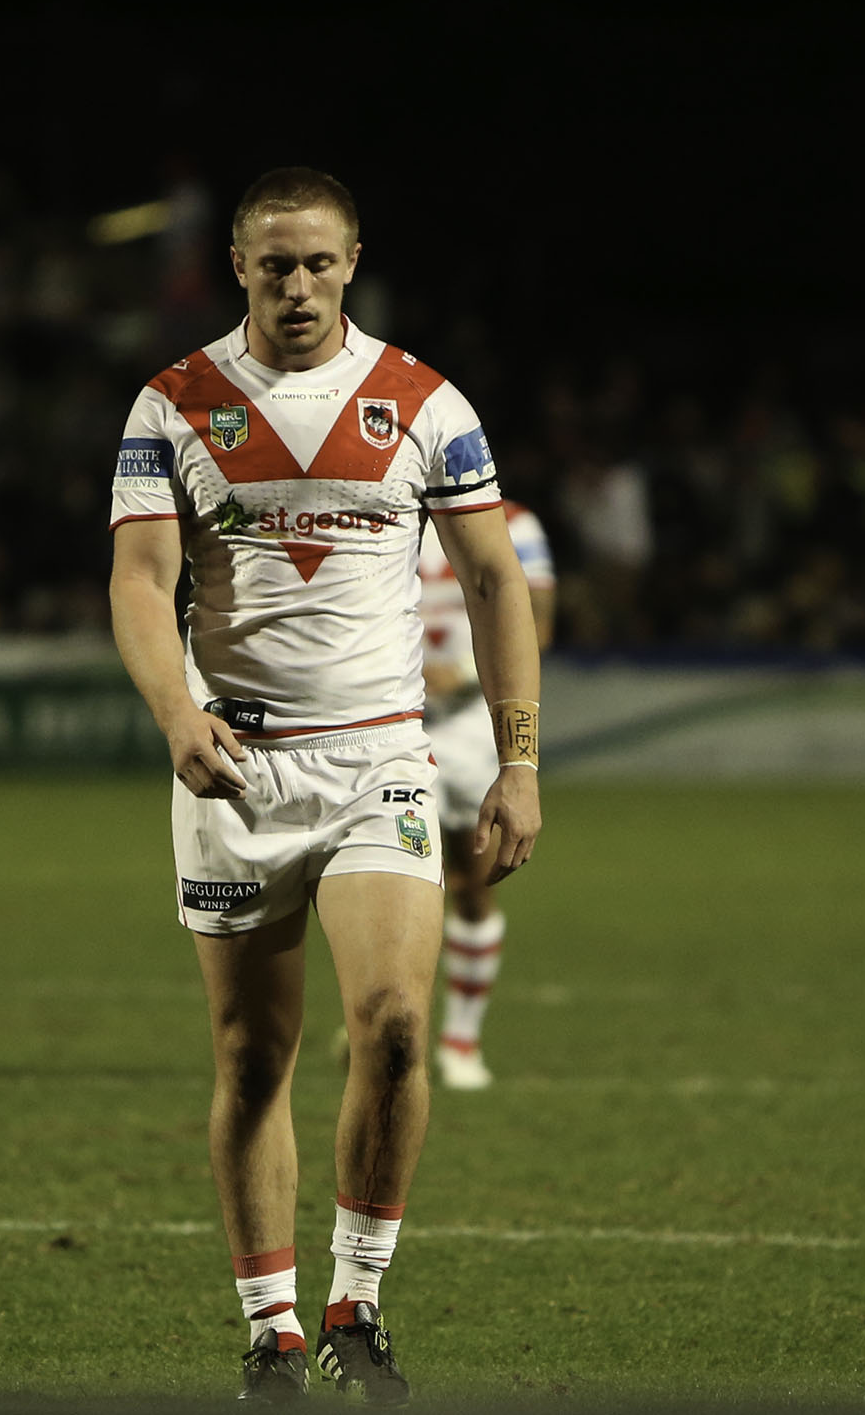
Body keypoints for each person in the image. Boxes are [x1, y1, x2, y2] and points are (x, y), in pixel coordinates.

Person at [107, 167, 542, 1402]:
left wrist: (517, 762)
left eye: (317, 264)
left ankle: (358, 1300)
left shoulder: (424, 403)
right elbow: (141, 581)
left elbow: (499, 581)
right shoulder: (174, 403)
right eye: (272, 265)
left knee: (397, 1030)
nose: (296, 286)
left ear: (352, 264)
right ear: (236, 267)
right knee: (252, 1057)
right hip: (233, 768)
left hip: (379, 762)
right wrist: (177, 712)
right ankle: (272, 1328)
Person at [418, 501, 557, 1088]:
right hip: (389, 714)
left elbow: (539, 627)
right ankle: (388, 1022)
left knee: (470, 882)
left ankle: (460, 1040)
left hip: (474, 721)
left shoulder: (518, 524)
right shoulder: (382, 505)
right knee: (380, 878)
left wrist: (464, 676)